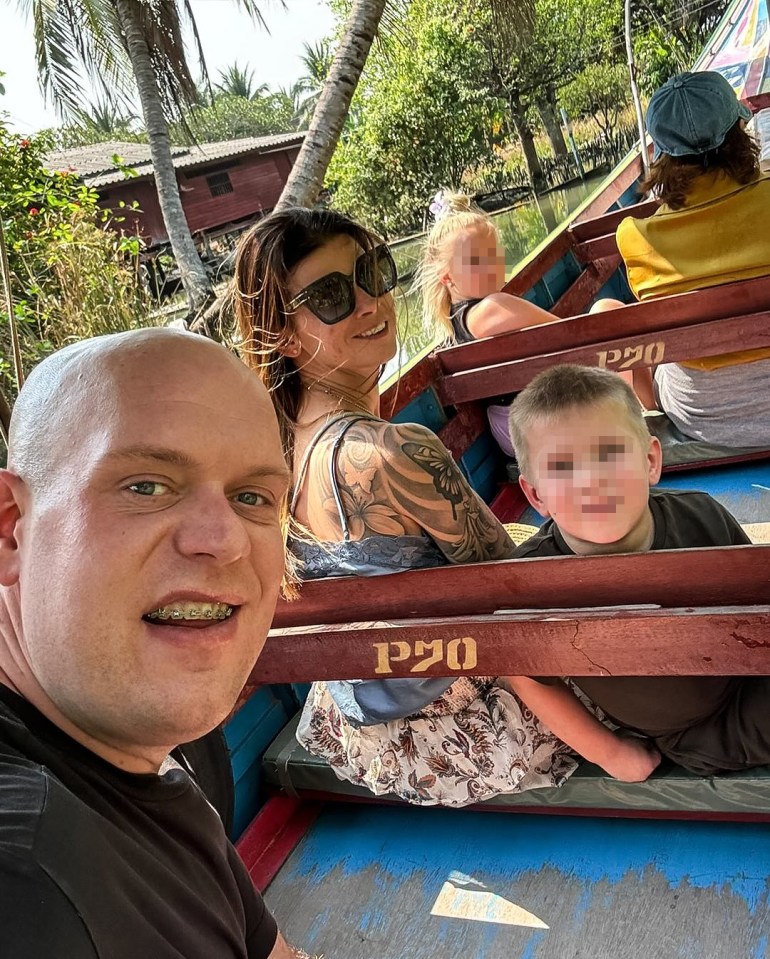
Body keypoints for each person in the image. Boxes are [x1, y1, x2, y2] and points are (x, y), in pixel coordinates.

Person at [233, 207, 577, 808]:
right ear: (284, 336)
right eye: (333, 296)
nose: (369, 302)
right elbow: (519, 589)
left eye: (372, 272)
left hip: (355, 735)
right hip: (464, 733)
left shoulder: (270, 450)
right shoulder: (395, 452)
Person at [0, 329, 301, 958]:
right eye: (146, 485)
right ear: (10, 532)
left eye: (253, 498)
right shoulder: (26, 880)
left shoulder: (166, 748)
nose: (224, 539)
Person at [506, 364, 768, 781]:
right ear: (536, 495)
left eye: (609, 453)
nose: (591, 481)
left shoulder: (700, 512)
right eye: (563, 467)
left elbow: (757, 590)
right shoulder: (531, 583)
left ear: (650, 460)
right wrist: (609, 753)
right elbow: (527, 674)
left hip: (751, 670)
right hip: (700, 731)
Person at [593, 71, 770, 445]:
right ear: (741, 133)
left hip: (701, 416)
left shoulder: (636, 236)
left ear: (662, 155)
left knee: (613, 312)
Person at [417, 192, 559, 455]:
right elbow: (573, 332)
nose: (492, 266)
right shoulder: (490, 310)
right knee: (606, 309)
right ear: (446, 277)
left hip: (526, 420)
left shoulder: (456, 323)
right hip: (530, 423)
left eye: (494, 255)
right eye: (476, 261)